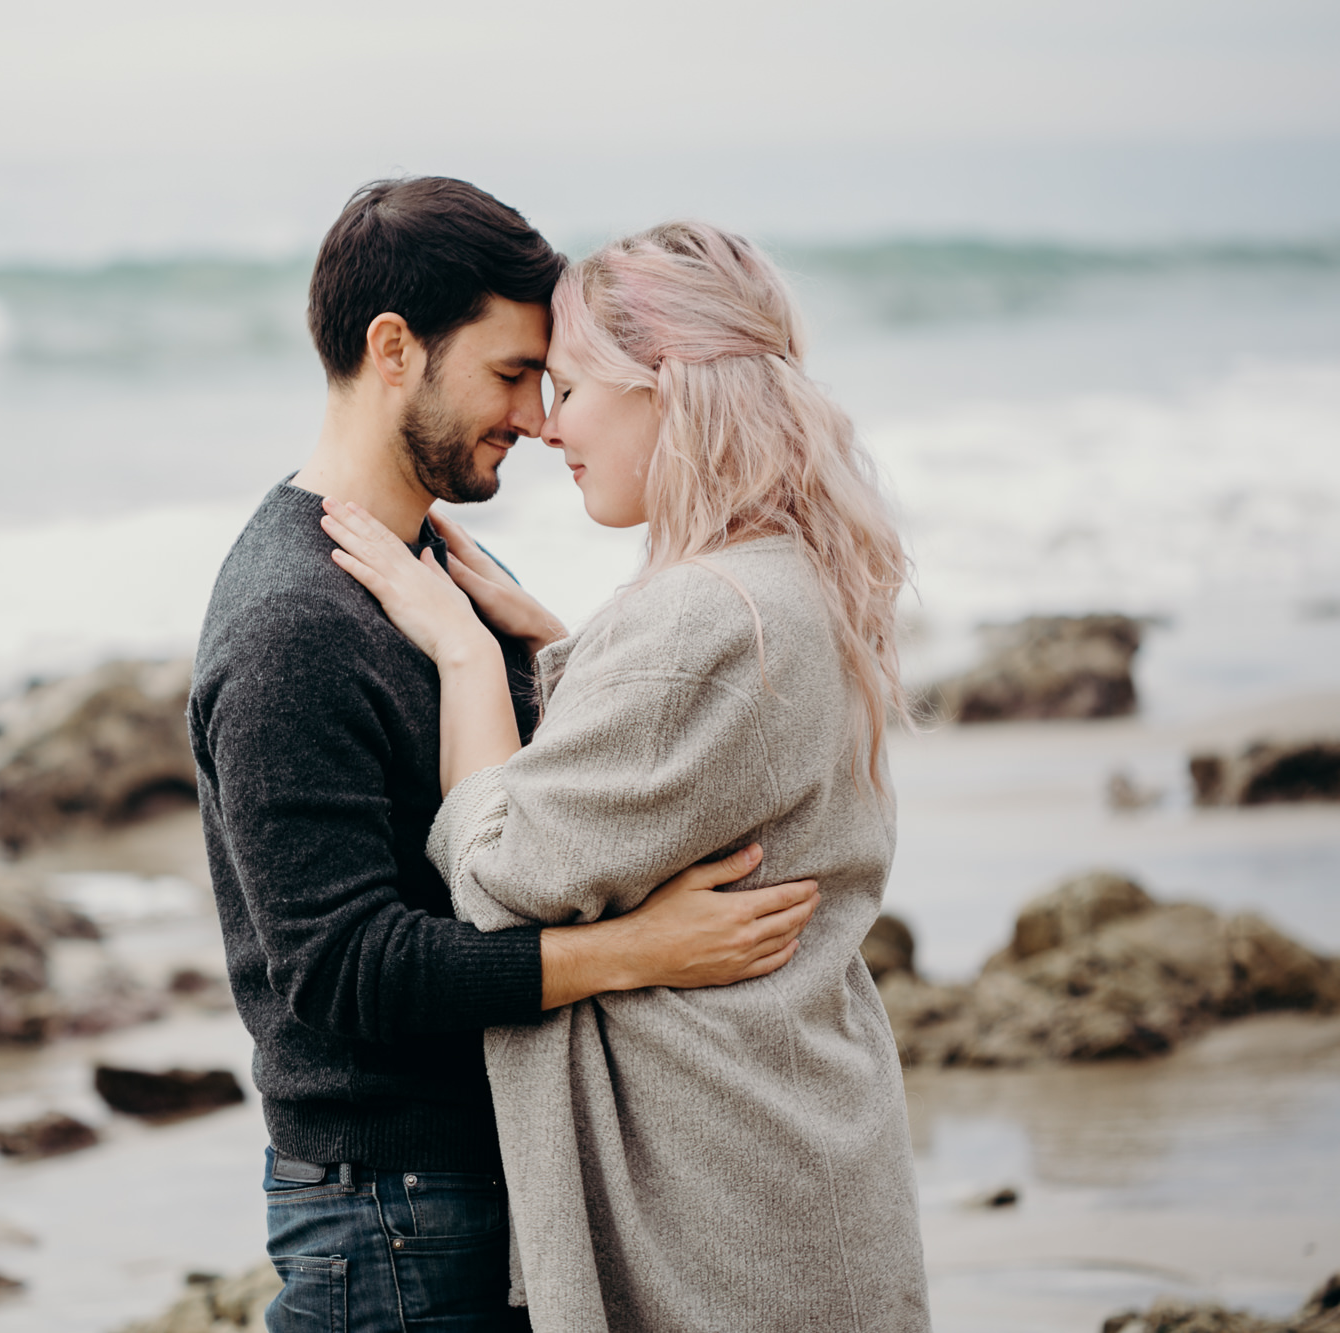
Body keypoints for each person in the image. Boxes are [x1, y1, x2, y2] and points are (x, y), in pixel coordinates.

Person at [188, 179, 826, 1333]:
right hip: (388, 1212)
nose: (538, 418)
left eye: (549, 380)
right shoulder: (294, 623)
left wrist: (546, 654)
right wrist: (632, 951)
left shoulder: (438, 573)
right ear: (394, 349)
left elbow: (547, 811)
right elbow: (341, 971)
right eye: (508, 374)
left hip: (475, 1188)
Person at [318, 220, 931, 1331]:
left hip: (724, 1211)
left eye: (568, 385)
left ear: (668, 389)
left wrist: (462, 652)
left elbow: (497, 874)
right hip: (793, 1150)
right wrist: (568, 652)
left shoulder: (703, 619)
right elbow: (671, 763)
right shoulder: (778, 579)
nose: (548, 427)